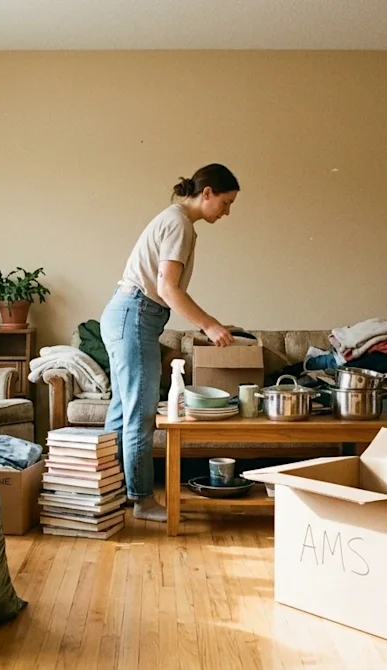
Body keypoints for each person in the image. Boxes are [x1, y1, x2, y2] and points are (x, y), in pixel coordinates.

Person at [101, 163, 240, 522]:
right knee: (139, 413)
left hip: (127, 313)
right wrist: (209, 325)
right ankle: (143, 501)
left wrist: (210, 325)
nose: (226, 212)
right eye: (225, 203)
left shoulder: (176, 219)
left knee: (122, 411)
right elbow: (167, 288)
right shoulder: (179, 223)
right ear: (206, 192)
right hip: (135, 315)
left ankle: (109, 494)